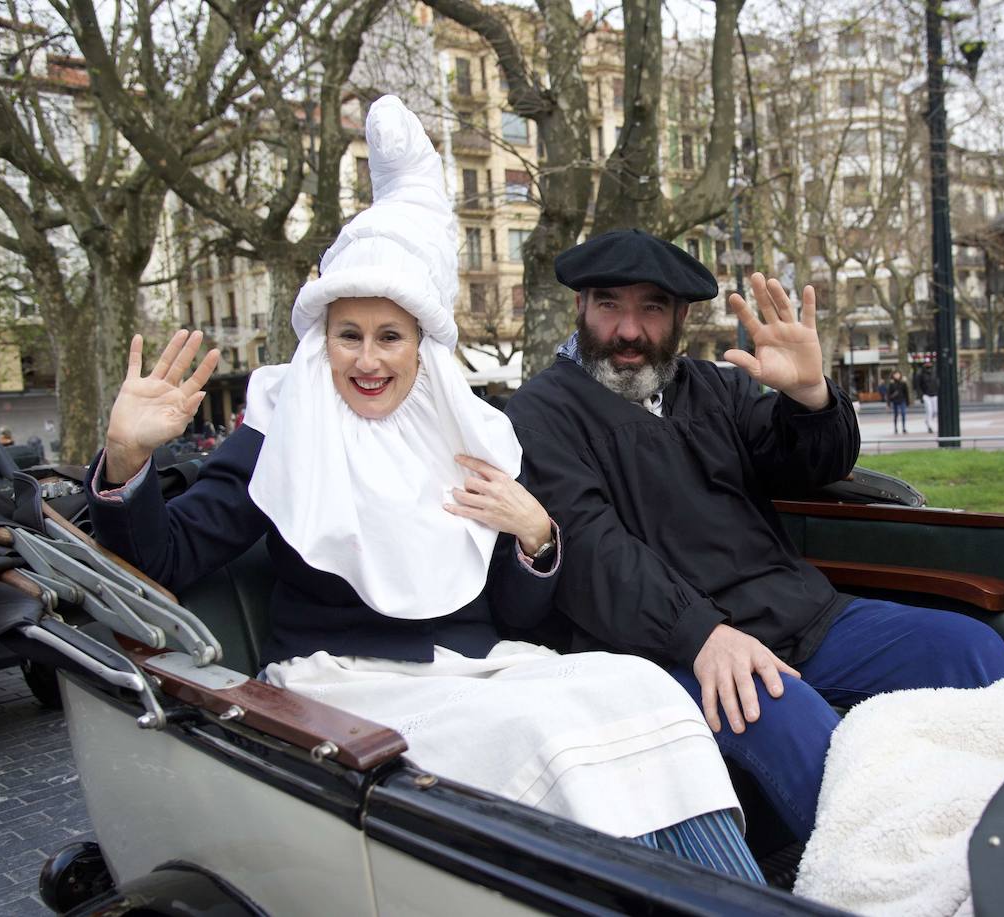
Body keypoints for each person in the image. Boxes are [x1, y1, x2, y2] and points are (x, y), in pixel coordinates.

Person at [83, 98, 760, 881]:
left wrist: (536, 539)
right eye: (348, 334)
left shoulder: (476, 438)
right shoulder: (284, 434)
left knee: (642, 690)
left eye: (389, 335)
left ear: (422, 347)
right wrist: (126, 457)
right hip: (345, 687)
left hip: (486, 668)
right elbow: (165, 557)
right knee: (548, 732)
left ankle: (727, 895)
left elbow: (515, 613)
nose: (367, 360)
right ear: (323, 340)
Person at [506, 229, 1004, 843]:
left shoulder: (715, 386)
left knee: (967, 648)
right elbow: (589, 547)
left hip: (800, 615)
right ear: (581, 309)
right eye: (609, 304)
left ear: (681, 318)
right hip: (666, 647)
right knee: (790, 717)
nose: (628, 330)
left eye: (651, 308)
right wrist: (701, 634)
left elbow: (806, 464)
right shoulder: (541, 411)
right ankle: (893, 881)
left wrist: (810, 397)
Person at [913, 360, 939, 434]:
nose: (928, 364)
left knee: (935, 411)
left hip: (934, 394)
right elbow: (918, 385)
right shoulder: (920, 373)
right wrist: (921, 396)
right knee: (929, 410)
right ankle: (929, 425)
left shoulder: (935, 372)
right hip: (926, 395)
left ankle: (928, 421)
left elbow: (937, 382)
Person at [884, 369, 909, 434]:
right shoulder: (891, 384)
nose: (897, 376)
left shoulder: (903, 383)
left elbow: (906, 392)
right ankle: (895, 428)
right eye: (895, 374)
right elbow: (888, 394)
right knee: (896, 415)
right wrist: (888, 403)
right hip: (895, 401)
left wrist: (907, 401)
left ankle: (904, 428)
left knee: (903, 414)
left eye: (898, 374)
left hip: (902, 400)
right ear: (893, 375)